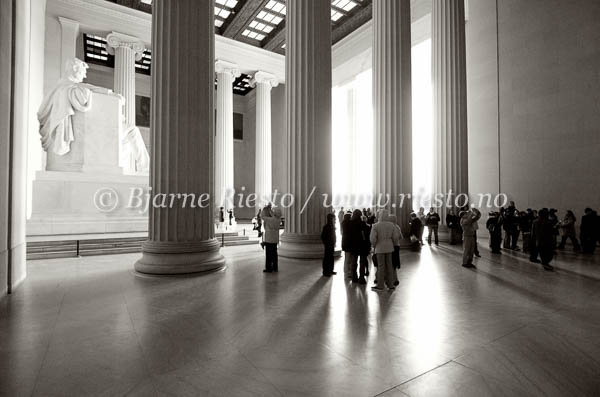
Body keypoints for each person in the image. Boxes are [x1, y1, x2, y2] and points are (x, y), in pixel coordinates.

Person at [370, 210, 401, 291]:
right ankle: (390, 284)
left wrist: (374, 245)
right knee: (389, 266)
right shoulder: (391, 225)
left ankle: (380, 285)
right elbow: (395, 237)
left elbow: (372, 238)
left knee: (381, 266)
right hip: (389, 247)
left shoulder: (376, 226)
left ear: (380, 216)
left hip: (379, 248)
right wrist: (392, 244)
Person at [261, 206, 282, 273]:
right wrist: (270, 211)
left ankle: (269, 268)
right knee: (274, 254)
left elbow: (262, 217)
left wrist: (264, 210)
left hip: (269, 239)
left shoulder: (270, 219)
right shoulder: (278, 220)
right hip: (275, 240)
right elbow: (273, 216)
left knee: (268, 255)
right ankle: (275, 267)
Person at [388, 215, 402, 286]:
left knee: (390, 262)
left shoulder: (389, 227)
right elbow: (401, 237)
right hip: (397, 246)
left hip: (391, 246)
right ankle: (395, 278)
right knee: (394, 263)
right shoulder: (397, 227)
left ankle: (392, 279)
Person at [341, 212, 353, 280]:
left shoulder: (343, 223)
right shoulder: (350, 223)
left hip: (345, 241)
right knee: (350, 258)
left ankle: (346, 271)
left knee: (346, 257)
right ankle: (349, 271)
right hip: (349, 242)